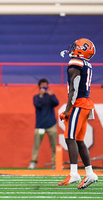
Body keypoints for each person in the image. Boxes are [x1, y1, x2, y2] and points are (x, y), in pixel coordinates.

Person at [58, 38, 98, 189]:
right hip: (85, 103)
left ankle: (74, 173)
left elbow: (74, 88)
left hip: (78, 104)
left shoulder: (76, 63)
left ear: (81, 49)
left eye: (76, 46)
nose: (73, 48)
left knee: (70, 137)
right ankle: (90, 174)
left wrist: (67, 110)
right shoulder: (87, 64)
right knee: (79, 140)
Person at [28, 78, 59, 169]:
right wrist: (41, 96)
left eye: (45, 86)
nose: (44, 87)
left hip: (51, 125)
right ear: (39, 87)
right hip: (40, 126)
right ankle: (33, 162)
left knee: (54, 145)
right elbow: (37, 105)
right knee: (36, 145)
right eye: (42, 86)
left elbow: (56, 103)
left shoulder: (50, 96)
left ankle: (55, 163)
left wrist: (52, 95)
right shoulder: (36, 97)